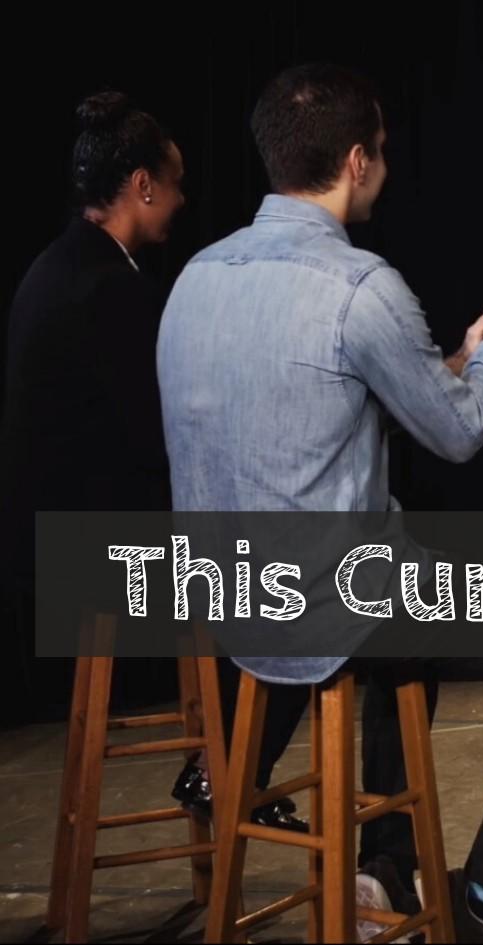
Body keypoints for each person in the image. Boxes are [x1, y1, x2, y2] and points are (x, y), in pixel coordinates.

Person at [157, 63, 483, 944]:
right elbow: (459, 432)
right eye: (383, 152)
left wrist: (453, 360)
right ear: (358, 161)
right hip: (330, 603)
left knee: (408, 596)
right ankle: (481, 904)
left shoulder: (194, 278)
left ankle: (385, 869)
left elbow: (322, 408)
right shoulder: (361, 286)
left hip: (226, 601)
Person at [0, 90, 307, 831]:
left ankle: (222, 768)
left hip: (58, 545)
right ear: (142, 185)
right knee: (299, 591)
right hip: (90, 559)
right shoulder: (107, 288)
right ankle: (226, 775)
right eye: (174, 183)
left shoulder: (64, 266)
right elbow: (160, 436)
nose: (182, 199)